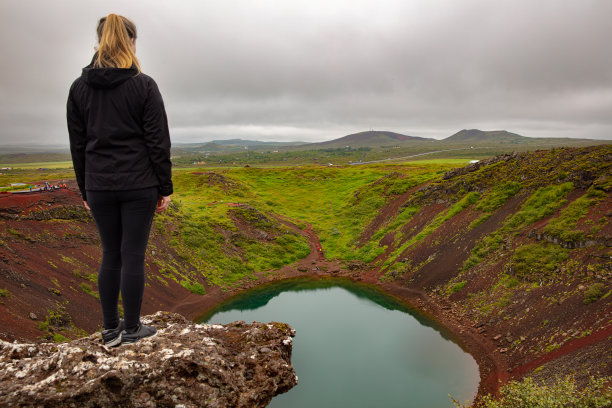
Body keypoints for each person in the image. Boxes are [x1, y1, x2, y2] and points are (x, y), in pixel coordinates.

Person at [67, 14, 173, 346]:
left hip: (99, 186)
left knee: (110, 253)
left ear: (99, 42)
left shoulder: (79, 88)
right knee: (133, 255)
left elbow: (78, 144)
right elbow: (158, 141)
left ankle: (110, 329)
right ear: (130, 42)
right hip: (139, 185)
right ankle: (131, 329)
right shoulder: (144, 85)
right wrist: (164, 187)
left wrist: (85, 188)